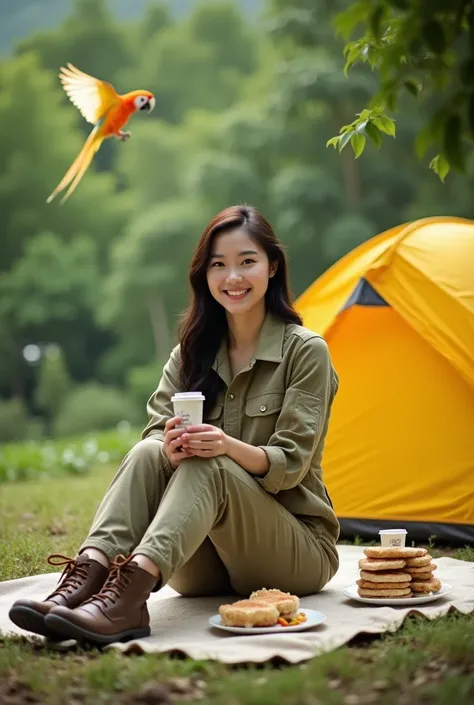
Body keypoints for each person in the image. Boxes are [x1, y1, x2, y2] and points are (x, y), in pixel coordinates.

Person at [9, 205, 340, 646]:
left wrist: (223, 445)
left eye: (247, 261)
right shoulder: (190, 354)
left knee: (213, 464)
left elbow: (291, 465)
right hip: (204, 563)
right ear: (204, 276)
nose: (233, 277)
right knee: (148, 450)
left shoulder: (306, 352)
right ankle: (82, 582)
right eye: (218, 265)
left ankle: (126, 602)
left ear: (272, 266)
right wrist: (170, 448)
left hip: (294, 553)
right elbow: (153, 439)